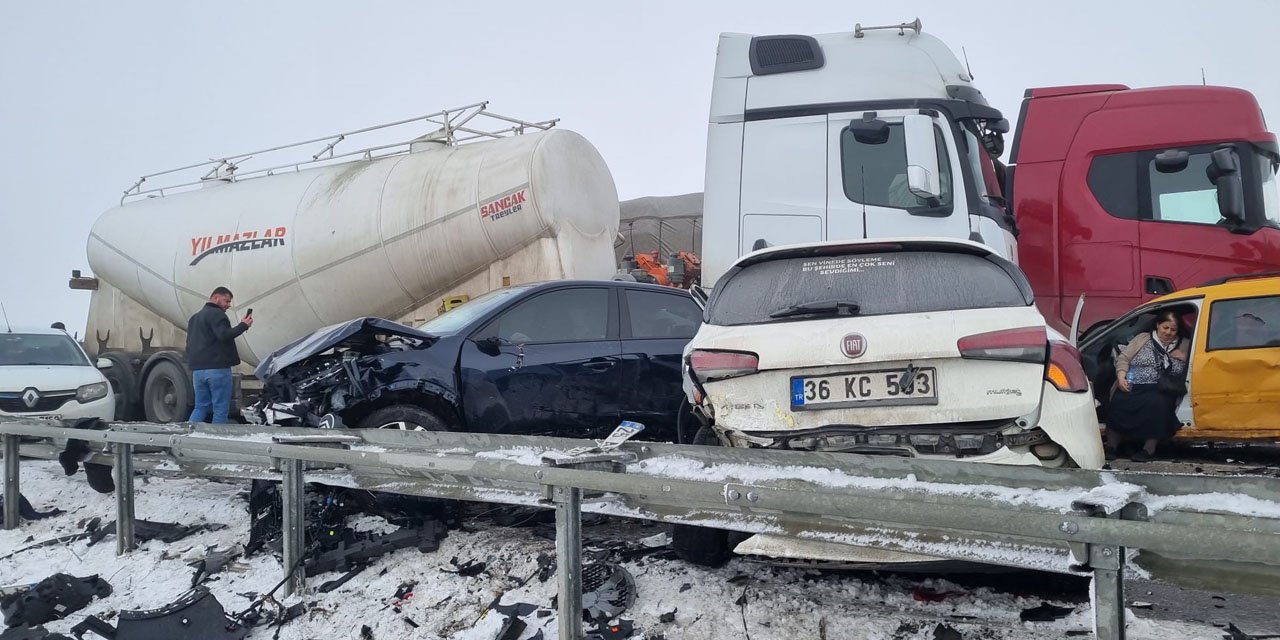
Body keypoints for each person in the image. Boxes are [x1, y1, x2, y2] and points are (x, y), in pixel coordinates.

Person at [1104, 310, 1188, 461]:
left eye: (1173, 329)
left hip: (1162, 388)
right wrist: (1121, 374)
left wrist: (1185, 358)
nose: (1168, 332)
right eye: (1165, 328)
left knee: (1159, 404)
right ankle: (1111, 446)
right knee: (1119, 401)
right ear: (1157, 325)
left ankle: (1148, 450)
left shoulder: (1184, 344)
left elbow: (1198, 363)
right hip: (1134, 384)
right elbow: (1124, 358)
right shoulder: (1142, 339)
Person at [186, 287, 252, 423]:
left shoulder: (194, 318)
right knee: (220, 409)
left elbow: (189, 344)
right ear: (215, 298)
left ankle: (190, 438)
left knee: (200, 407)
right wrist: (243, 325)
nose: (229, 305)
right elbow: (224, 335)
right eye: (226, 301)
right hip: (217, 370)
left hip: (198, 371)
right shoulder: (217, 314)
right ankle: (217, 441)